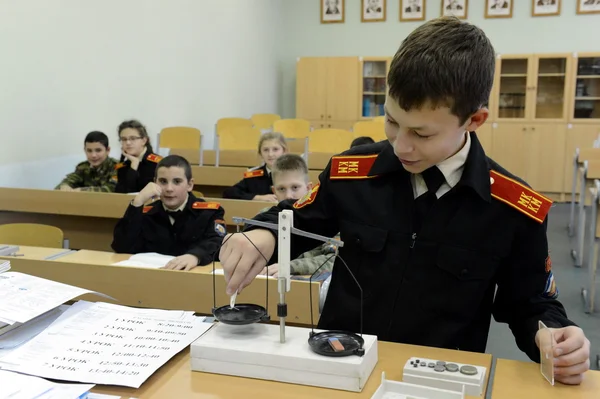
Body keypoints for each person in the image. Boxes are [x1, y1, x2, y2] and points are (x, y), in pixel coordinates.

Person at [219, 17, 590, 385]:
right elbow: (299, 219)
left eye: (421, 133)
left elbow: (531, 304)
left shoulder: (513, 208)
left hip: (437, 380)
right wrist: (263, 233)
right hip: (342, 366)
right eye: (392, 121)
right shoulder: (352, 173)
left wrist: (552, 335)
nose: (400, 145)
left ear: (474, 120)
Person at [112, 155, 225, 271]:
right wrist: (137, 202)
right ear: (154, 183)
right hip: (153, 278)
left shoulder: (209, 213)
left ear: (190, 185)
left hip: (193, 277)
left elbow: (218, 242)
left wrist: (196, 256)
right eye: (163, 181)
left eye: (177, 182)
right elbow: (121, 247)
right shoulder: (146, 213)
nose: (169, 188)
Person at [258, 154, 336, 277]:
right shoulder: (263, 217)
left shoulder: (323, 218)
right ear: (274, 191)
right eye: (281, 189)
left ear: (309, 188)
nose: (289, 195)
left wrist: (291, 266)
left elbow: (335, 259)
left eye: (295, 187)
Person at [222, 132, 288, 201]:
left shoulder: (294, 173)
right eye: (266, 150)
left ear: (284, 151)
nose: (270, 154)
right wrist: (257, 197)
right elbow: (228, 193)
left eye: (275, 149)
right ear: (260, 153)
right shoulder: (254, 175)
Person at [114, 119, 162, 194]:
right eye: (124, 139)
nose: (128, 143)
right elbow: (120, 194)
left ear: (144, 140)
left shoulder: (157, 163)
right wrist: (133, 167)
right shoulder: (121, 166)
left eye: (133, 138)